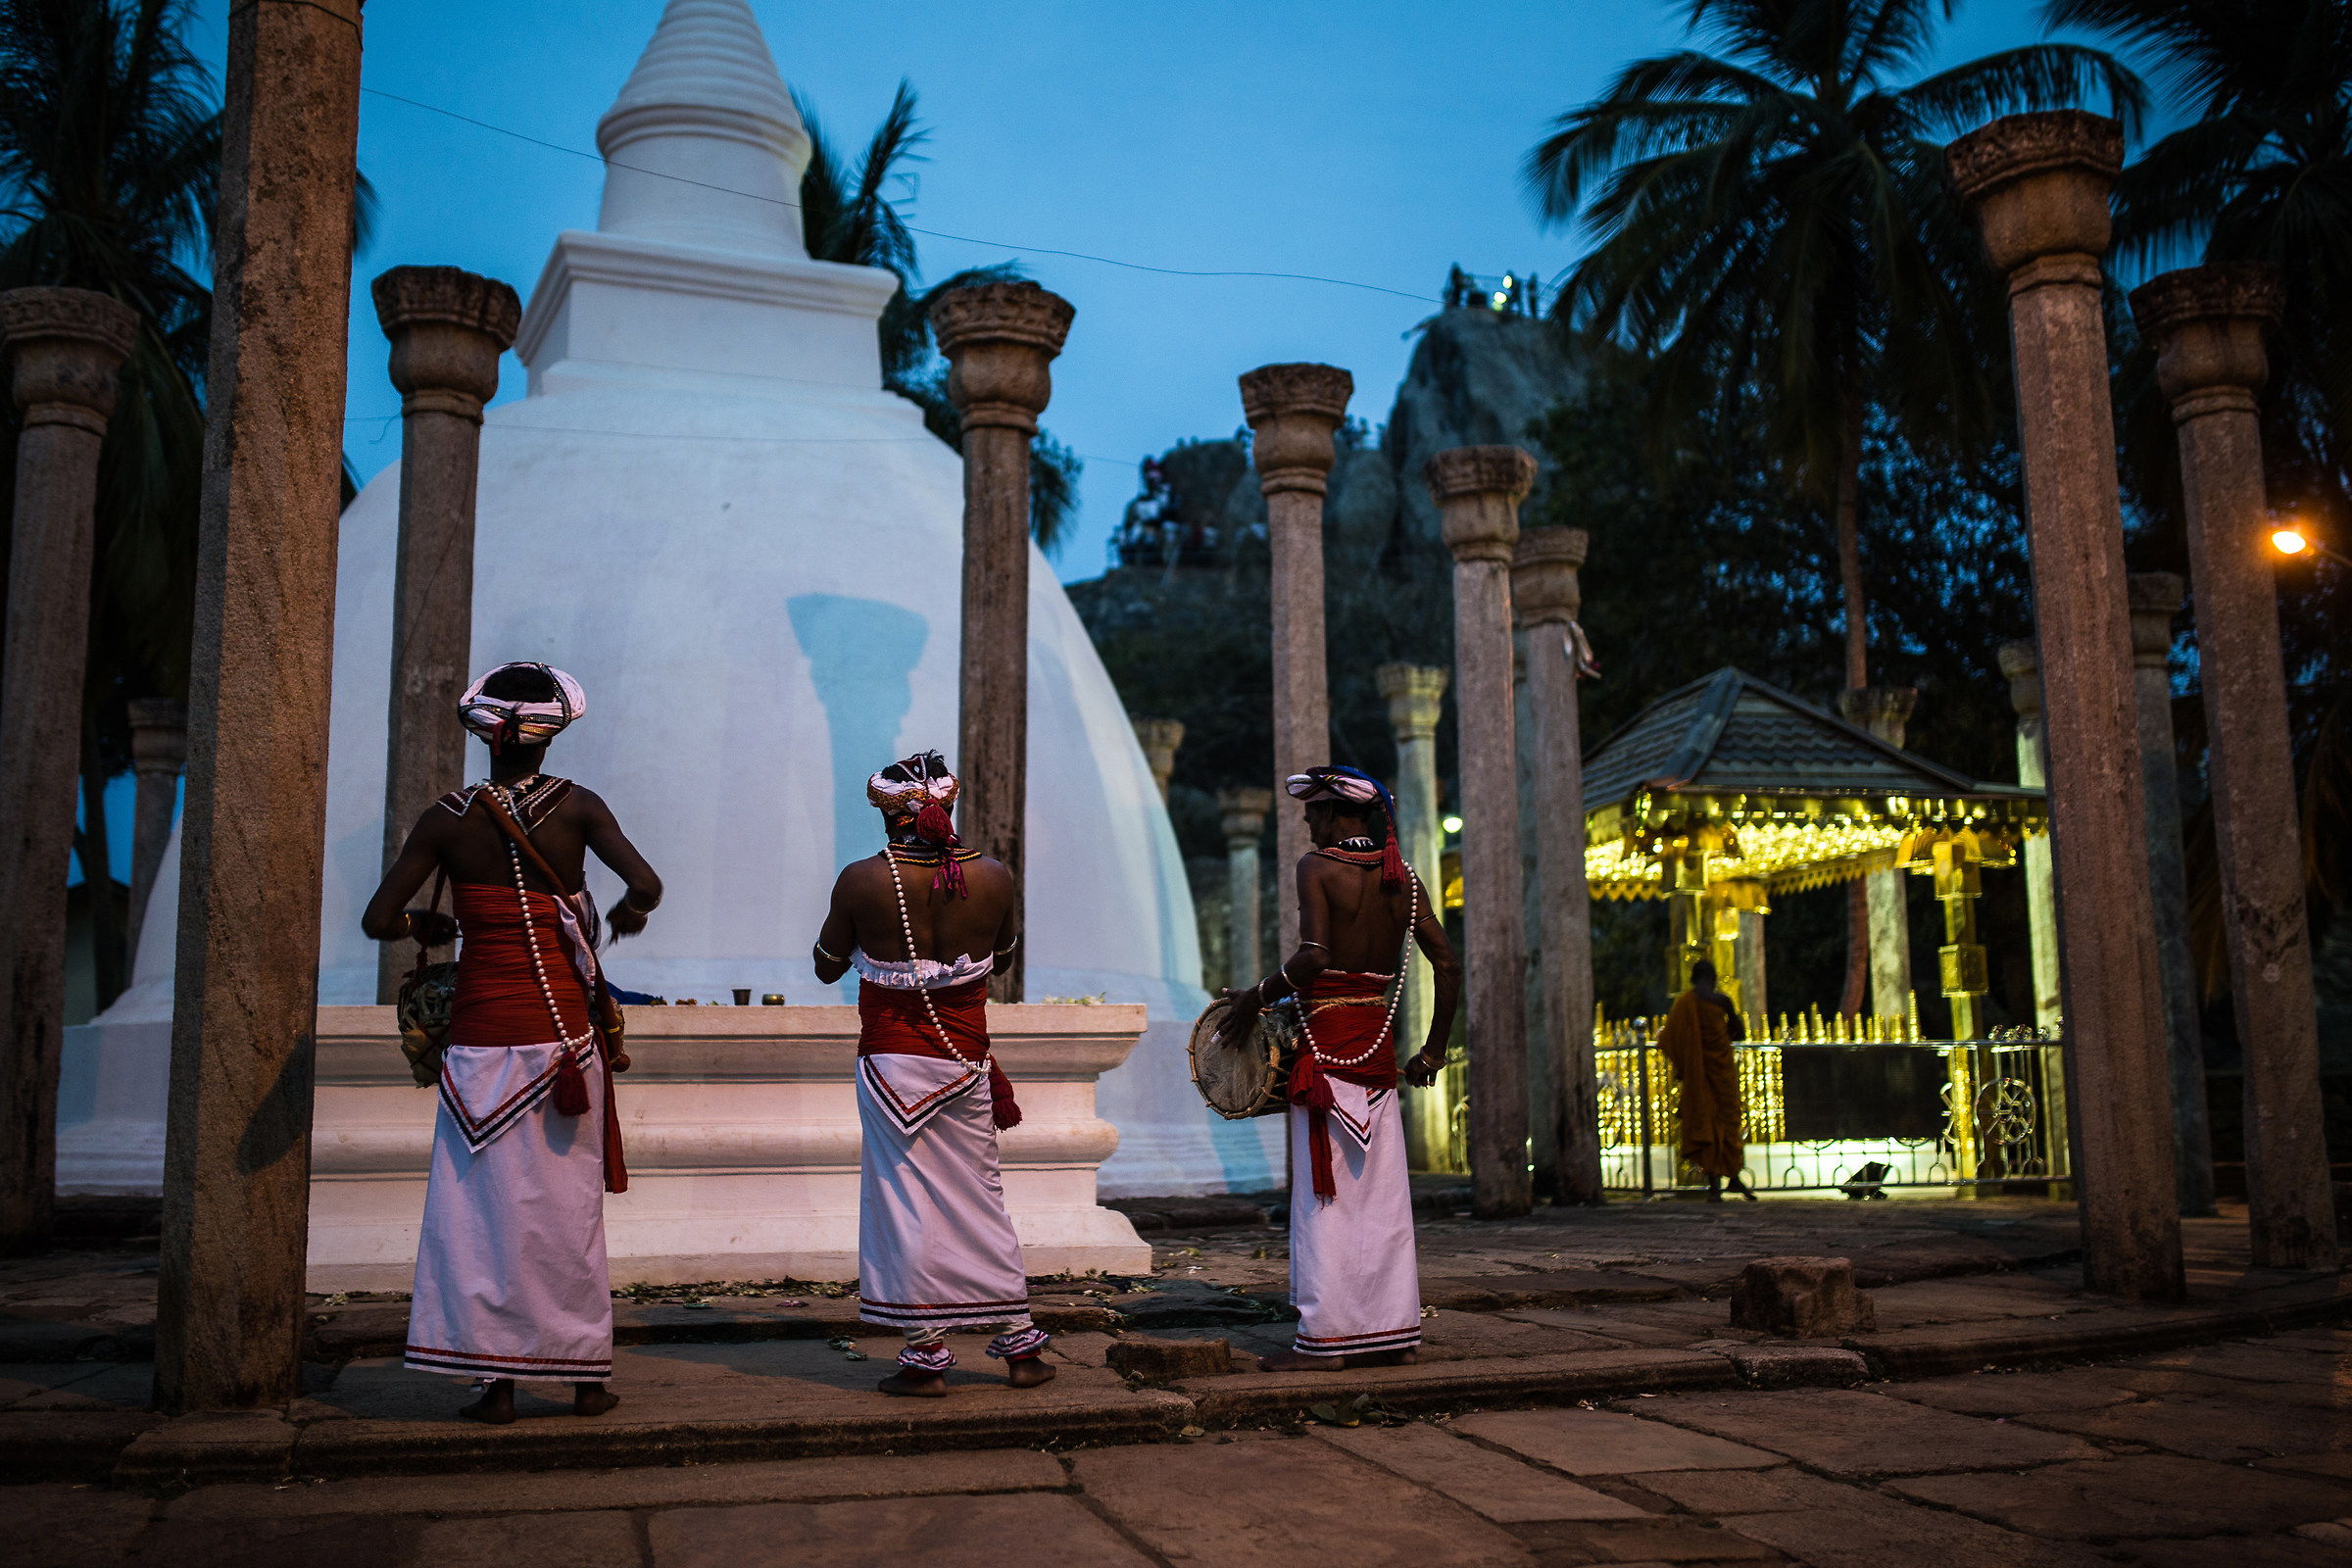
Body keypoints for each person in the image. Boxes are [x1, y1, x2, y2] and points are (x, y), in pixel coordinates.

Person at [362, 662, 663, 1424]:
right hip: (564, 1043)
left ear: (484, 736)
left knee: (483, 1217)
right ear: (549, 737)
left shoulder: (446, 819)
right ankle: (584, 1380)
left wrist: (428, 924)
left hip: (480, 1043)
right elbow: (647, 885)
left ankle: (495, 1385)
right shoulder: (579, 809)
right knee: (565, 1216)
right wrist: (626, 916)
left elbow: (379, 920)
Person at [811, 751, 1053, 1397]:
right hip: (966, 1062)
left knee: (905, 1206)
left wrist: (871, 945)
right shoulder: (994, 876)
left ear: (889, 815)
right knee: (980, 1199)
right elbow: (1001, 959)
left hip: (891, 1065)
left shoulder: (862, 879)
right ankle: (1020, 1343)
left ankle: (925, 1356)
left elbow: (827, 966)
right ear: (946, 807)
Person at [1216, 764, 1461, 1371]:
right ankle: (1392, 1334)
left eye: (1312, 814)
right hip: (1376, 1053)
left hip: (1326, 1056)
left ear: (1332, 813)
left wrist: (1254, 997)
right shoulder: (1403, 878)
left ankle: (1326, 1342)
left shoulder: (1317, 867)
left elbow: (1315, 957)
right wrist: (1433, 1051)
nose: (1307, 824)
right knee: (1381, 1199)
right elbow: (1448, 964)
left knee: (1324, 1199)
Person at [1656, 959, 1755, 1201]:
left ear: (1694, 978)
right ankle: (1732, 1177)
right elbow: (1740, 1032)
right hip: (1722, 1071)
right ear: (1712, 978)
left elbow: (1667, 1039)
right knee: (1728, 1125)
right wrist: (1722, 1037)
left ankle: (1715, 1187)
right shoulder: (1722, 1001)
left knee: (1706, 1125)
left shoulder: (1684, 1003)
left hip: (1700, 1075)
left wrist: (1688, 1060)